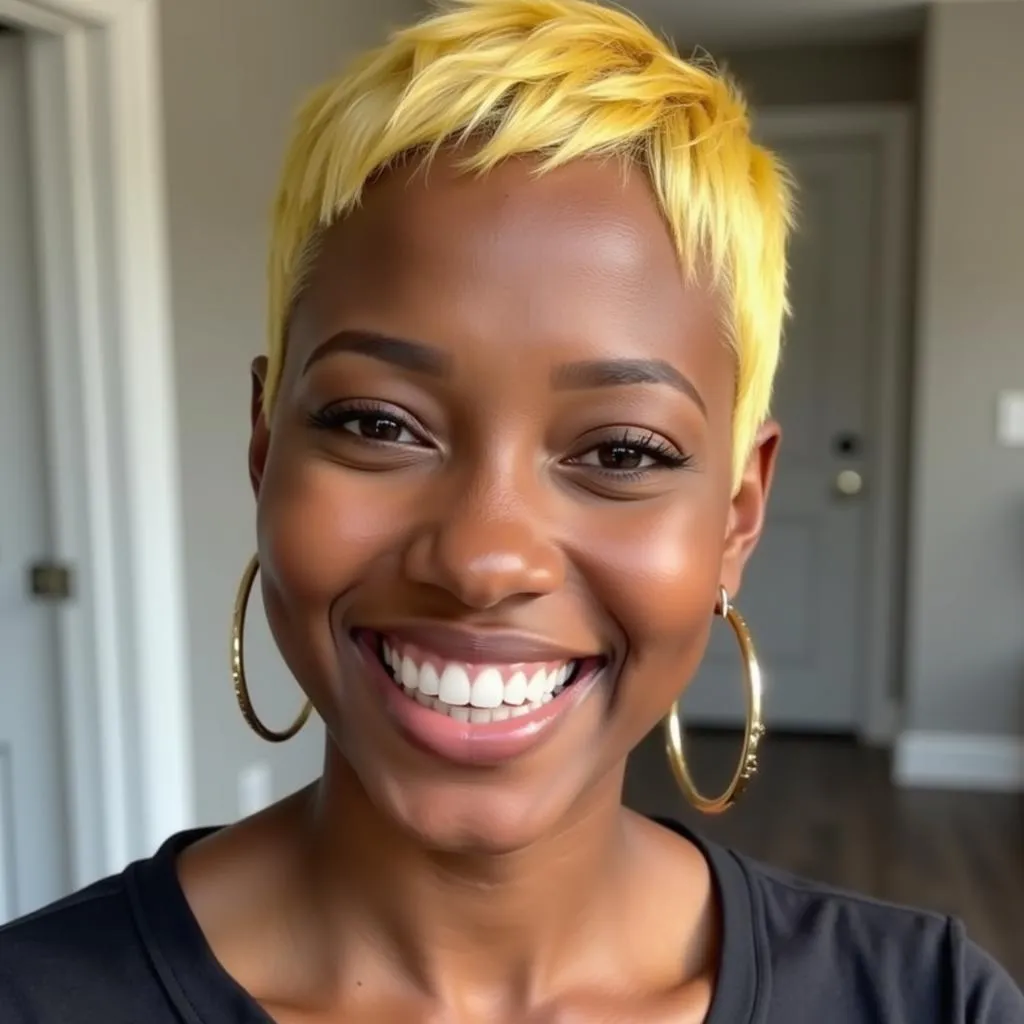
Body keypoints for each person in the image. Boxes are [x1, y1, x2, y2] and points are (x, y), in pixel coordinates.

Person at [1, 0, 1021, 1020]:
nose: (484, 558)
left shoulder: (928, 1001)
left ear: (737, 515)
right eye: (377, 424)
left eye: (622, 450)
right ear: (267, 447)